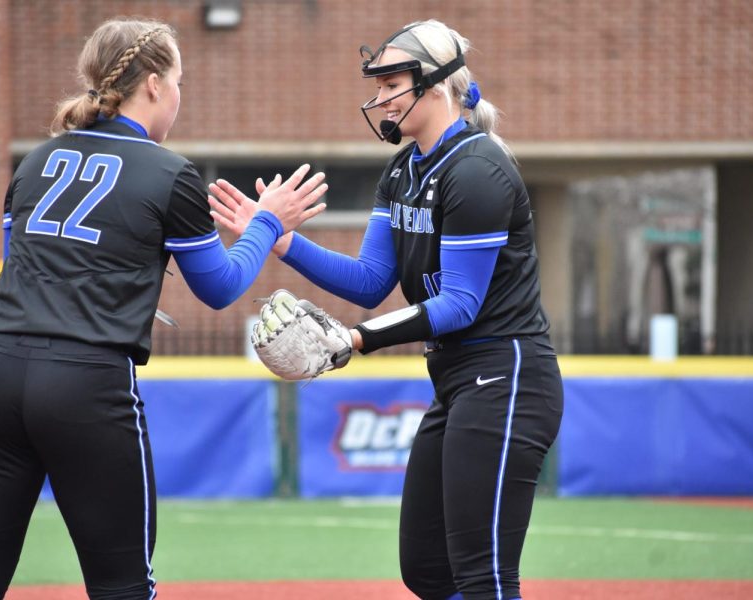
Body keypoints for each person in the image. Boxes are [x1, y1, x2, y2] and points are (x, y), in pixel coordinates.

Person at [0, 18, 327, 600]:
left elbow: (16, 271)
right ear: (152, 86)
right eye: (179, 82)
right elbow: (220, 288)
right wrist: (268, 221)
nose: (179, 96)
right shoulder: (169, 172)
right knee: (123, 587)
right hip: (84, 384)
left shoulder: (36, 161)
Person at [210, 19, 563, 600]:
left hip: (508, 378)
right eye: (376, 84)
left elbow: (460, 303)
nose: (378, 98)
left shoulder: (477, 170)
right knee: (425, 567)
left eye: (391, 81)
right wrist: (282, 242)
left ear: (438, 84)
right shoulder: (402, 170)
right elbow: (373, 280)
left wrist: (355, 340)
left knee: (485, 576)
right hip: (458, 382)